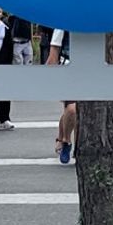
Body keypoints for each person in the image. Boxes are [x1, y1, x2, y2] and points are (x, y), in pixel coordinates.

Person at [46, 26, 75, 164]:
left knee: (78, 112)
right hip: (68, 69)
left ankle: (62, 139)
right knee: (72, 109)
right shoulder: (63, 24)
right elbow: (55, 49)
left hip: (91, 71)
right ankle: (66, 141)